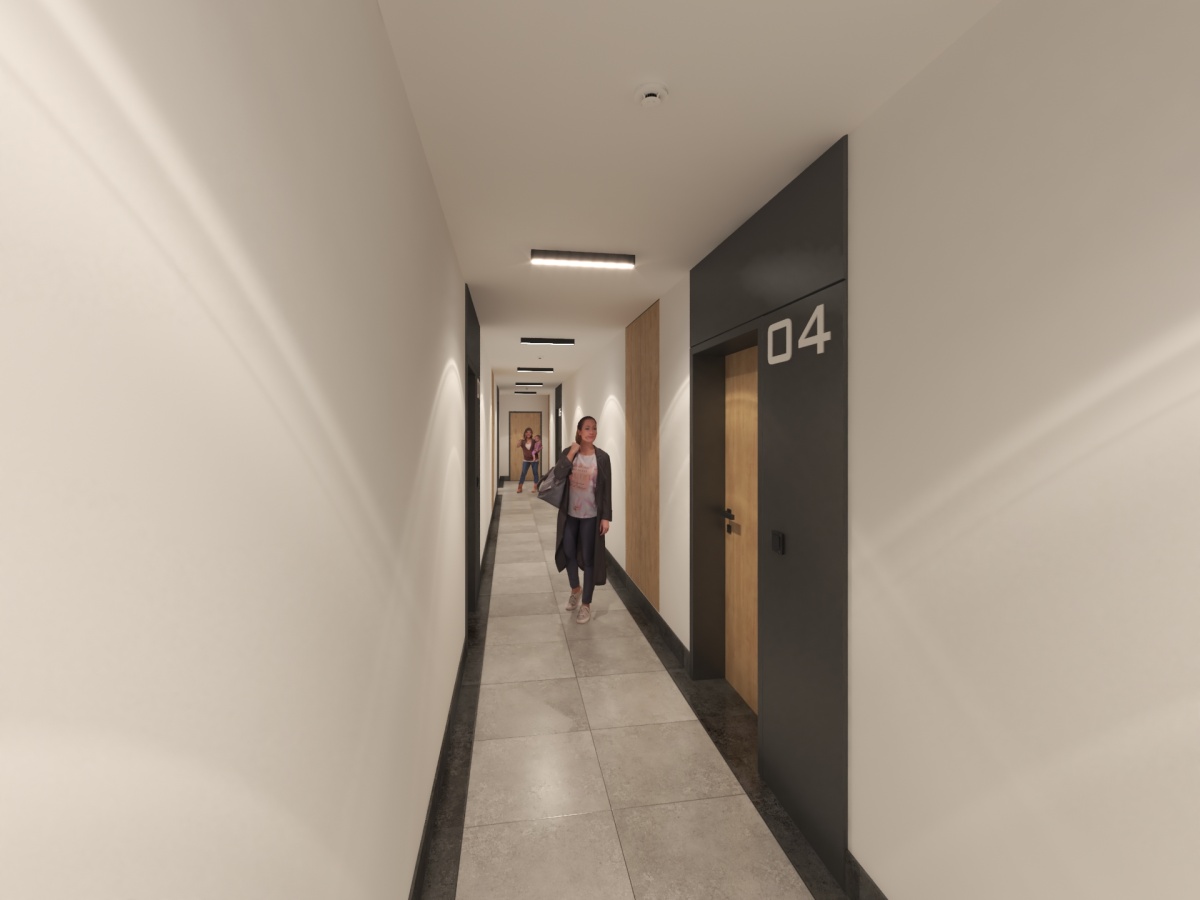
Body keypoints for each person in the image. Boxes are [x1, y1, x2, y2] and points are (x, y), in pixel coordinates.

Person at [550, 416, 612, 624]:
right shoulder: (569, 453)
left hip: (591, 516)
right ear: (579, 431)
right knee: (568, 551)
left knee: (589, 557)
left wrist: (606, 517)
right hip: (569, 514)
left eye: (594, 428)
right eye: (587, 428)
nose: (591, 432)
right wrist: (571, 452)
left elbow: (606, 489)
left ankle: (586, 604)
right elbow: (558, 475)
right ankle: (575, 589)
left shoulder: (602, 458)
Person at [516, 427, 538, 493]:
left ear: (531, 433)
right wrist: (520, 439)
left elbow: (539, 446)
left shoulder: (534, 441)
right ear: (525, 433)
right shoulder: (523, 441)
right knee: (523, 473)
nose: (528, 433)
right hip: (526, 460)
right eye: (527, 432)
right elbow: (517, 445)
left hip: (534, 460)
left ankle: (535, 487)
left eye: (530, 432)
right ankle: (520, 487)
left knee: (535, 473)